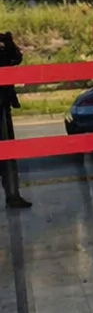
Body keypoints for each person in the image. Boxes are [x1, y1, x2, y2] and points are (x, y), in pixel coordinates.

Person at [1, 32, 29, 209]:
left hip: (3, 104)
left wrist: (8, 42)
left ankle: (13, 195)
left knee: (8, 153)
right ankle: (12, 195)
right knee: (7, 153)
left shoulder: (3, 44)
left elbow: (16, 58)